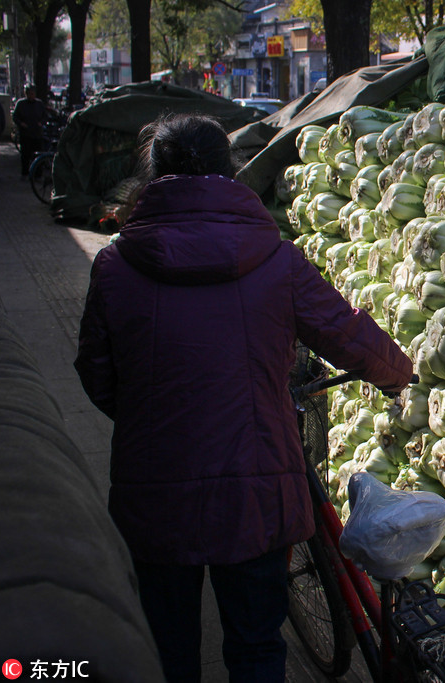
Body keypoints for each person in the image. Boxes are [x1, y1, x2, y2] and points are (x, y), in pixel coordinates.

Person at [74, 113, 413, 682]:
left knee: (167, 648)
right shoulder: (277, 260)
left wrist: (148, 413)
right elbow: (346, 331)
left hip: (151, 484)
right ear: (228, 173)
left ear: (151, 177)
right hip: (257, 486)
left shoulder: (114, 264)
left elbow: (95, 371)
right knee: (257, 646)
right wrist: (397, 375)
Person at [12, 85, 47, 176]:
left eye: (33, 94)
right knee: (25, 155)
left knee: (38, 154)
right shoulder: (21, 104)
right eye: (29, 94)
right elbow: (15, 117)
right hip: (26, 133)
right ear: (26, 94)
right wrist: (21, 124)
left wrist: (41, 123)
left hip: (37, 133)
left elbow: (45, 116)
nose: (31, 96)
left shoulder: (39, 104)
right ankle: (25, 173)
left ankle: (38, 174)